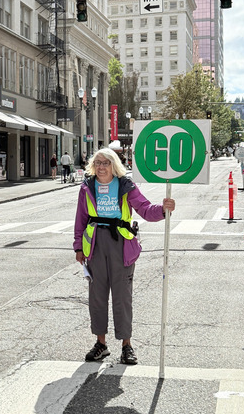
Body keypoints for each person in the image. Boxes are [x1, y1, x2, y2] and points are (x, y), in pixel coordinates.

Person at [73, 148, 175, 365]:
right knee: (97, 296)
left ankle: (126, 345)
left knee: (122, 296)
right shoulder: (87, 187)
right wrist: (78, 248)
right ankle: (101, 343)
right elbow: (80, 219)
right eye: (98, 162)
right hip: (95, 245)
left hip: (121, 244)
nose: (101, 167)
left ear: (114, 165)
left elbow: (145, 209)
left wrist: (163, 209)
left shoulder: (126, 186)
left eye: (106, 163)